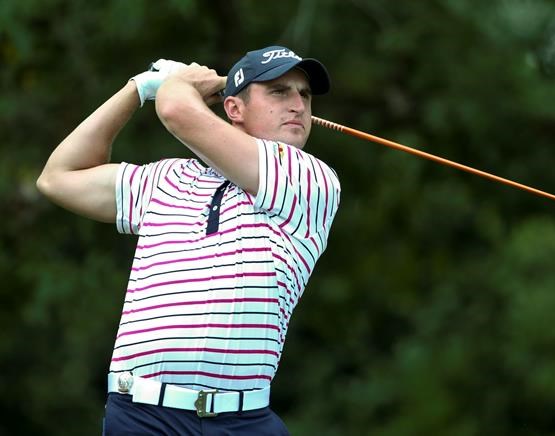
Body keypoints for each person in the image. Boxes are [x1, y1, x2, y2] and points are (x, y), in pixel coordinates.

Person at [36, 46, 341, 435]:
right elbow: (58, 177)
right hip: (142, 416)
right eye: (279, 92)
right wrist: (137, 89)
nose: (298, 105)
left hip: (242, 423)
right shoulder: (166, 179)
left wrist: (178, 83)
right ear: (234, 108)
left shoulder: (308, 178)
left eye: (305, 95)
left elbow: (176, 110)